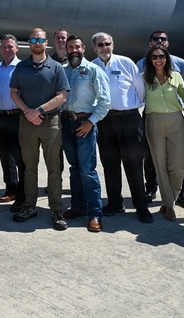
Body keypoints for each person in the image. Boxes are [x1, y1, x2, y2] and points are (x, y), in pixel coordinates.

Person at [9, 28, 70, 230]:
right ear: (29, 43)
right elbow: (14, 93)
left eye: (40, 40)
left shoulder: (56, 68)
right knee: (29, 168)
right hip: (27, 122)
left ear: (46, 43)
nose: (37, 43)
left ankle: (56, 209)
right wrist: (28, 111)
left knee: (54, 168)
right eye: (33, 40)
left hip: (50, 121)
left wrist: (39, 110)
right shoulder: (21, 67)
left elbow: (62, 96)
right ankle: (29, 205)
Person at [91, 32, 152, 223]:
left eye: (107, 44)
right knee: (110, 165)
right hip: (105, 121)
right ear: (94, 48)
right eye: (100, 45)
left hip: (129, 120)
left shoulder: (126, 63)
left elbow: (140, 90)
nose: (104, 48)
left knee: (134, 165)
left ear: (113, 44)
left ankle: (141, 207)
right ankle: (115, 203)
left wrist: (132, 107)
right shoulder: (92, 67)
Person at [137, 30, 184, 211]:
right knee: (154, 159)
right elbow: (136, 96)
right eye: (154, 56)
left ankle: (180, 194)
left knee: (177, 163)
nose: (158, 58)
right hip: (152, 117)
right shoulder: (142, 73)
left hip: (175, 118)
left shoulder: (178, 70)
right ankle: (159, 196)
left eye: (162, 55)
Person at [60, 35, 110, 232]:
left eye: (77, 47)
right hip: (66, 123)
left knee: (88, 171)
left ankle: (95, 214)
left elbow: (105, 101)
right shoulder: (62, 70)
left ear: (83, 48)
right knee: (74, 168)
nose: (74, 50)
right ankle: (78, 207)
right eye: (70, 47)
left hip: (85, 123)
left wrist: (91, 122)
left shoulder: (93, 70)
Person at [0, 35, 24, 210]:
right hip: (0, 116)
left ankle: (23, 192)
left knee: (20, 156)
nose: (6, 49)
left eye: (10, 46)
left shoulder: (22, 67)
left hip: (17, 116)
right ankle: (10, 188)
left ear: (17, 48)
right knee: (5, 156)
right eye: (4, 47)